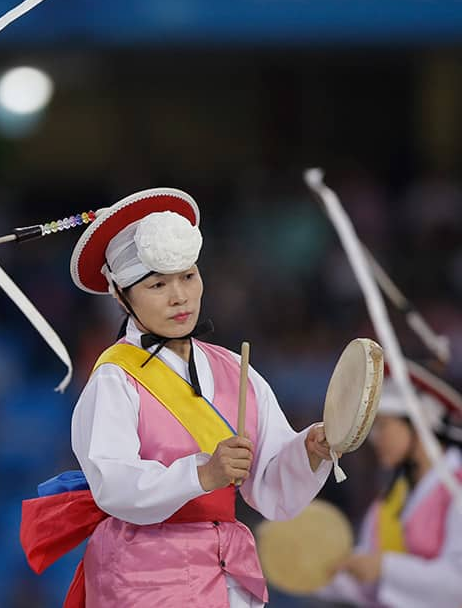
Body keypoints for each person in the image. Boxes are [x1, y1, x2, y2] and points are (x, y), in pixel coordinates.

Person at [21, 188, 334, 608]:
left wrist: (310, 450)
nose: (179, 297)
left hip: (225, 573)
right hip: (141, 577)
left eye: (188, 276)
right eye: (157, 284)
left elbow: (270, 487)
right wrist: (204, 474)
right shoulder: (115, 378)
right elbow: (113, 486)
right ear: (119, 295)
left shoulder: (235, 370)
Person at [316, 361, 462, 607]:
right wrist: (319, 570)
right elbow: (367, 586)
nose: (375, 439)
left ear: (420, 424)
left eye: (383, 426)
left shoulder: (455, 489)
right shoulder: (389, 501)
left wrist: (385, 568)